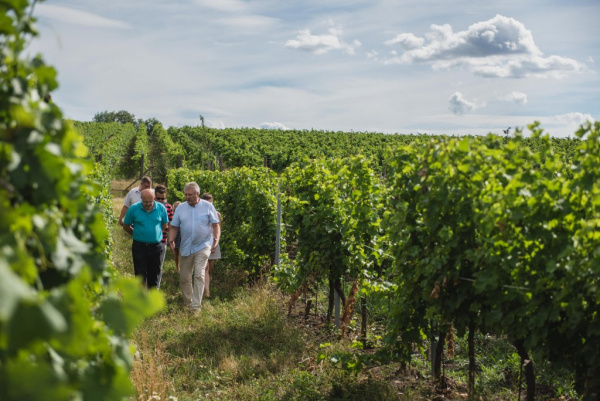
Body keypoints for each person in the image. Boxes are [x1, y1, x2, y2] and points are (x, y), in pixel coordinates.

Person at [168, 182, 220, 313]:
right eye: (185, 194)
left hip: (203, 245)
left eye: (190, 194)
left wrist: (216, 239)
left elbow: (215, 225)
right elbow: (174, 226)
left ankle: (196, 307)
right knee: (184, 277)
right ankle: (188, 303)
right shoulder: (180, 208)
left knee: (199, 274)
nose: (187, 197)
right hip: (186, 247)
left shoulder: (207, 206)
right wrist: (171, 239)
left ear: (197, 194)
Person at [122, 188, 169, 288]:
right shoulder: (134, 209)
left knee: (155, 273)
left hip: (156, 247)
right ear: (141, 199)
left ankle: (152, 300)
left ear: (154, 198)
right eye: (145, 202)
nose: (148, 204)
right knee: (140, 274)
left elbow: (164, 224)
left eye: (150, 201)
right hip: (140, 247)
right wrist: (136, 234)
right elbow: (126, 225)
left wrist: (154, 233)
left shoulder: (161, 208)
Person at [201, 193, 222, 299]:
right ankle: (206, 291)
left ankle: (207, 282)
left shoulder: (217, 214)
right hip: (203, 243)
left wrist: (216, 242)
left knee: (211, 268)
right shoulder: (199, 213)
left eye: (211, 203)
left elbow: (219, 229)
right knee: (205, 267)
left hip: (213, 243)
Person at [154, 184, 174, 288]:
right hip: (147, 241)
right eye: (159, 198)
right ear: (154, 197)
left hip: (162, 240)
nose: (161, 200)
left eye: (163, 198)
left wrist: (171, 239)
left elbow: (171, 225)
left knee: (158, 266)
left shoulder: (168, 207)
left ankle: (155, 288)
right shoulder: (149, 206)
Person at [172, 201, 182, 272]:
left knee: (182, 251)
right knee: (176, 251)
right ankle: (177, 267)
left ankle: (181, 268)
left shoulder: (184, 215)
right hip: (175, 235)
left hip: (182, 234)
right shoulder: (172, 216)